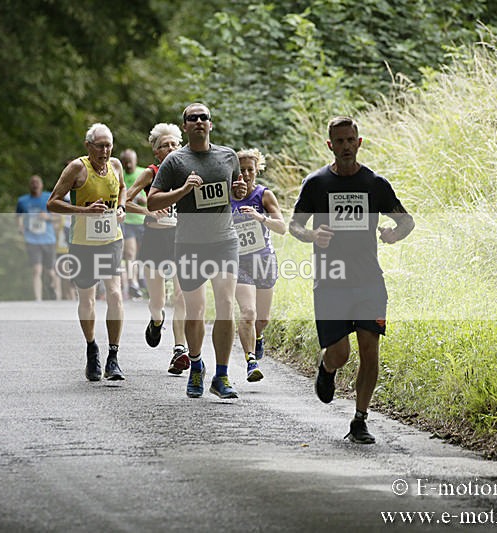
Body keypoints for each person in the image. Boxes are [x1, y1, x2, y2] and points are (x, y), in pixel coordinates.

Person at [289, 116, 414, 443]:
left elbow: (407, 221)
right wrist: (312, 235)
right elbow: (294, 225)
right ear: (330, 145)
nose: (346, 146)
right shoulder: (316, 184)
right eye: (339, 141)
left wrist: (394, 234)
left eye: (350, 140)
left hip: (369, 280)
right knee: (340, 353)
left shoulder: (375, 184)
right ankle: (327, 367)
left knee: (370, 351)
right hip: (331, 281)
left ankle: (360, 419)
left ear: (359, 143)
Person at [148, 103, 247, 399]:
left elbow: (235, 189)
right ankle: (195, 365)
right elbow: (152, 202)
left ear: (211, 124)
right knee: (195, 312)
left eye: (204, 117)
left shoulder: (228, 156)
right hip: (189, 244)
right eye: (193, 118)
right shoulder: (175, 161)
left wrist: (238, 192)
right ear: (186, 126)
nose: (199, 121)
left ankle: (222, 375)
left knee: (226, 304)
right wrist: (182, 191)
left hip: (224, 241)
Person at [47, 123, 127, 382]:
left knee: (114, 293)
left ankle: (113, 357)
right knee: (87, 299)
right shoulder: (77, 168)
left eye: (108, 146)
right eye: (100, 146)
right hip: (82, 243)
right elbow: (52, 203)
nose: (105, 151)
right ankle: (92, 348)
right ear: (88, 146)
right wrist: (84, 211)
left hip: (111, 239)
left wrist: (122, 208)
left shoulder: (115, 165)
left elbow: (122, 188)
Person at [125, 123, 188, 374]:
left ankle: (180, 349)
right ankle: (156, 320)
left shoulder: (188, 172)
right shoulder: (150, 173)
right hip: (154, 240)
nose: (170, 148)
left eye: (174, 144)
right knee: (157, 300)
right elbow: (125, 200)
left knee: (182, 295)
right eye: (165, 145)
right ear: (156, 152)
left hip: (180, 240)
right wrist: (147, 211)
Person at [231, 148, 286, 382]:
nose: (245, 175)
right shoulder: (226, 196)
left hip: (263, 260)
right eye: (241, 170)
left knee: (262, 319)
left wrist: (260, 217)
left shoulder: (264, 195)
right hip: (237, 262)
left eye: (250, 170)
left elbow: (282, 227)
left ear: (257, 170)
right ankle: (250, 360)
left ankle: (258, 336)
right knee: (248, 312)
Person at [16, 174, 61, 302]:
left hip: (48, 239)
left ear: (41, 185)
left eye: (37, 182)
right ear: (29, 185)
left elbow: (58, 217)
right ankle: (38, 299)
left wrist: (48, 217)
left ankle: (54, 291)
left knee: (50, 272)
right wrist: (20, 227)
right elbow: (18, 216)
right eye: (33, 183)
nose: (35, 185)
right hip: (32, 240)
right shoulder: (22, 201)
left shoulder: (49, 198)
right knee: (36, 270)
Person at [120, 149, 147, 300]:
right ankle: (133, 283)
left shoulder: (143, 173)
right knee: (130, 253)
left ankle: (144, 281)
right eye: (126, 162)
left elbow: (155, 194)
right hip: (127, 221)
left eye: (130, 161)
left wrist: (145, 200)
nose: (129, 165)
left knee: (142, 254)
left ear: (136, 161)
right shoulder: (120, 175)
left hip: (144, 220)